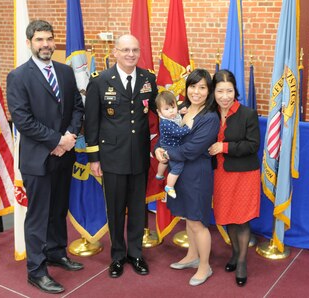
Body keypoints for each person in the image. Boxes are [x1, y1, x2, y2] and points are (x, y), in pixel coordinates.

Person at [7, 20, 84, 294]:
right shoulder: (18, 77)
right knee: (38, 216)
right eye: (40, 40)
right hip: (37, 159)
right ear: (30, 42)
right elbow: (22, 120)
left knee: (58, 210)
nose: (46, 44)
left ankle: (56, 252)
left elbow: (77, 107)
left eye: (49, 39)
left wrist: (69, 138)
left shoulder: (64, 71)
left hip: (63, 156)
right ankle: (36, 270)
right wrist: (56, 140)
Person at [84, 34, 158, 278]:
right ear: (115, 52)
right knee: (115, 209)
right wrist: (94, 158)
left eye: (135, 50)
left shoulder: (148, 78)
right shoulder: (100, 80)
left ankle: (135, 253)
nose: (130, 54)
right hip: (111, 157)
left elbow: (155, 111)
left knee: (137, 208)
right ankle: (117, 255)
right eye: (125, 50)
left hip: (138, 156)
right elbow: (91, 121)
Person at [155, 69, 220, 286]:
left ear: (209, 91)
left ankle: (205, 266)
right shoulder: (181, 108)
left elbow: (193, 149)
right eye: (193, 86)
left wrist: (167, 154)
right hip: (179, 171)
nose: (196, 91)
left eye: (202, 87)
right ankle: (192, 257)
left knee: (197, 221)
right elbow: (166, 135)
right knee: (187, 218)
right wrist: (157, 150)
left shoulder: (210, 117)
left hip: (197, 173)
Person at [208, 69, 261, 287]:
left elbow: (253, 145)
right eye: (220, 91)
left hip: (244, 174)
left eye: (229, 91)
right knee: (228, 216)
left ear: (235, 91)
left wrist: (224, 146)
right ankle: (233, 253)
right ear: (214, 92)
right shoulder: (209, 113)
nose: (224, 96)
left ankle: (241, 262)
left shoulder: (248, 114)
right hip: (220, 173)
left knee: (242, 219)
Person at [155, 90, 191, 199]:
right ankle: (169, 186)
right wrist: (188, 127)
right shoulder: (166, 123)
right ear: (159, 112)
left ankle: (159, 174)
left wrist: (180, 111)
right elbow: (178, 132)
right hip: (170, 146)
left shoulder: (171, 116)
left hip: (166, 144)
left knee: (164, 161)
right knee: (177, 166)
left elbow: (176, 115)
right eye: (167, 109)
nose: (171, 111)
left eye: (173, 107)